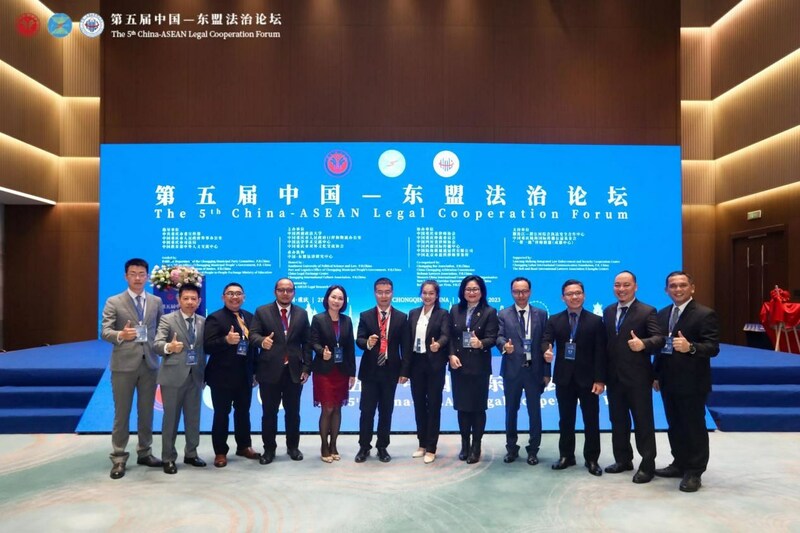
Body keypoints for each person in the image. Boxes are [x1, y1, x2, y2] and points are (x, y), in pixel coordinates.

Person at [653, 271, 719, 493]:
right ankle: (679, 463)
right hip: (668, 380)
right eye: (673, 286)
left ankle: (695, 471)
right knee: (675, 425)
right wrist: (656, 375)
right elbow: (661, 347)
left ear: (692, 288)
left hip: (692, 382)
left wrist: (690, 347)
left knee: (693, 426)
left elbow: (713, 348)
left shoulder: (704, 314)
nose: (678, 289)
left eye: (682, 285)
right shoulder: (663, 314)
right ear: (666, 290)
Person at [100, 258, 165, 479]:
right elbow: (105, 331)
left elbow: (159, 330)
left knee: (146, 412)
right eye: (133, 274)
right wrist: (121, 334)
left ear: (147, 277)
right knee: (122, 413)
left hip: (150, 364)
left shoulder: (156, 301)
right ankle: (119, 457)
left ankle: (145, 452)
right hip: (123, 366)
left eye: (141, 274)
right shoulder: (114, 301)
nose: (137, 278)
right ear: (126, 276)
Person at [602, 271, 664, 483]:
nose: (621, 289)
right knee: (618, 420)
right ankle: (623, 459)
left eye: (626, 285)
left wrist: (643, 344)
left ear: (635, 286)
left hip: (638, 378)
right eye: (617, 285)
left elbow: (659, 339)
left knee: (642, 422)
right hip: (614, 378)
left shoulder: (647, 311)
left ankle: (647, 465)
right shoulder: (609, 311)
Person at [542, 279, 607, 476]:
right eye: (570, 294)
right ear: (563, 298)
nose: (574, 297)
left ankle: (592, 459)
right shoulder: (554, 320)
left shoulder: (596, 321)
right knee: (566, 420)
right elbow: (546, 340)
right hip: (564, 379)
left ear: (584, 296)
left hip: (589, 380)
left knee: (591, 420)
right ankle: (566, 456)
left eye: (578, 293)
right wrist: (546, 350)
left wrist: (600, 379)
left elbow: (601, 352)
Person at [250, 277, 311, 464]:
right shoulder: (262, 311)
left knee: (293, 413)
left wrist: (307, 368)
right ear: (275, 292)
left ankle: (293, 447)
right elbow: (252, 335)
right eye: (281, 290)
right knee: (269, 413)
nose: (285, 293)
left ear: (294, 292)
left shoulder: (301, 314)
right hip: (269, 371)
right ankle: (269, 449)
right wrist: (262, 341)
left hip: (294, 371)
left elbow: (307, 343)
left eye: (289, 290)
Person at [203, 282, 261, 468]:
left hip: (245, 375)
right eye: (230, 293)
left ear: (244, 297)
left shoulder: (250, 317)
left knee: (243, 413)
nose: (234, 297)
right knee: (221, 414)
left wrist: (255, 371)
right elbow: (207, 346)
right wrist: (226, 340)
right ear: (223, 297)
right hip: (222, 376)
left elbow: (254, 347)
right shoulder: (215, 318)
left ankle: (244, 446)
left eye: (238, 294)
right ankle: (220, 452)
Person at [153, 283, 207, 474]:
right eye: (186, 298)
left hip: (196, 376)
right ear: (178, 300)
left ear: (199, 301)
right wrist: (169, 347)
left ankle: (191, 453)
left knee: (193, 418)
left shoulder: (203, 321)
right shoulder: (167, 320)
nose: (190, 302)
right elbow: (157, 344)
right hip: (173, 377)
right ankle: (168, 457)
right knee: (171, 419)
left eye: (193, 299)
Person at [355, 277, 409, 463]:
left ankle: (382, 447)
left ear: (392, 293)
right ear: (374, 293)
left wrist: (404, 371)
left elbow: (405, 347)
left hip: (391, 371)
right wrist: (367, 343)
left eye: (387, 292)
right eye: (380, 292)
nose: (383, 296)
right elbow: (359, 340)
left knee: (386, 411)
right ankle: (364, 447)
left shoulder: (401, 317)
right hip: (370, 371)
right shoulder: (365, 315)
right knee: (367, 411)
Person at [496, 277, 549, 466]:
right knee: (511, 411)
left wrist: (547, 372)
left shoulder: (541, 314)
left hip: (534, 371)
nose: (521, 295)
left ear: (530, 292)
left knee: (535, 412)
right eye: (517, 291)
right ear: (511, 292)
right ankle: (511, 448)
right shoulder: (503, 314)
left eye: (524, 291)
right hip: (512, 370)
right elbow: (499, 336)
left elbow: (545, 343)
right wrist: (504, 346)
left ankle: (533, 450)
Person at [448, 275, 498, 464]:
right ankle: (465, 445)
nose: (471, 292)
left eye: (475, 289)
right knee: (462, 408)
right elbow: (449, 336)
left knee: (477, 409)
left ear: (482, 291)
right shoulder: (455, 310)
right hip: (458, 366)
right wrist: (451, 355)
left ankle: (476, 446)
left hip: (479, 368)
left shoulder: (489, 312)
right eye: (468, 289)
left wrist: (481, 343)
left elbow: (493, 338)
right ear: (462, 291)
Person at [404, 280, 451, 464]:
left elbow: (446, 335)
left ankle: (431, 447)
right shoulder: (413, 313)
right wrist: (405, 369)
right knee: (419, 405)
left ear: (437, 295)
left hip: (434, 365)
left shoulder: (443, 314)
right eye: (424, 293)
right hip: (416, 363)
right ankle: (422, 444)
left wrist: (438, 344)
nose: (427, 296)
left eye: (431, 293)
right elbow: (408, 342)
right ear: (420, 294)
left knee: (433, 405)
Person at [309, 285, 356, 463]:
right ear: (327, 298)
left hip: (341, 371)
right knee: (327, 408)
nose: (336, 301)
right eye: (333, 297)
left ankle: (334, 445)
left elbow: (350, 349)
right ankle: (324, 446)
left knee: (337, 408)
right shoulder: (318, 319)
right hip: (324, 371)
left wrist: (352, 373)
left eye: (340, 298)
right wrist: (322, 352)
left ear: (344, 302)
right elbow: (313, 342)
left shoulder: (347, 321)